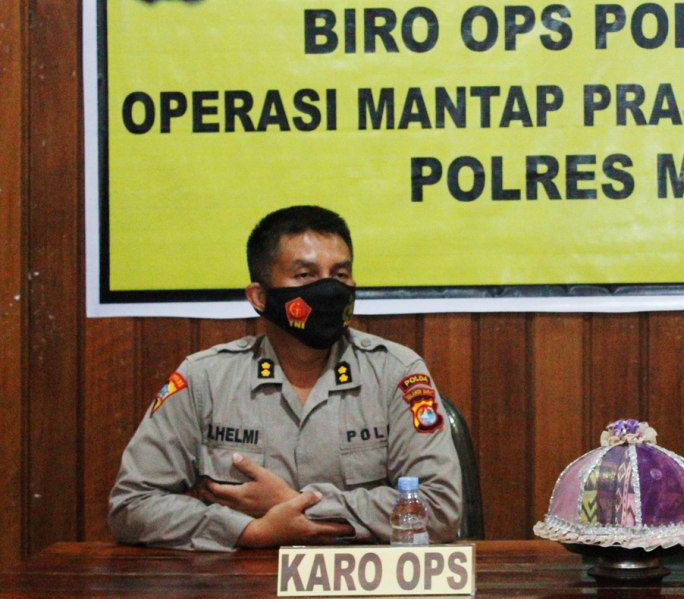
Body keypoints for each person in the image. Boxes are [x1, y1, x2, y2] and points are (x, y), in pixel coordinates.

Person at [109, 205, 463, 550]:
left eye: (340, 275)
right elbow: (132, 505)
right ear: (260, 297)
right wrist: (251, 532)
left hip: (358, 582)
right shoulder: (204, 379)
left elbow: (439, 508)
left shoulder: (396, 372)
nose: (328, 289)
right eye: (305, 275)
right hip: (240, 581)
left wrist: (294, 502)